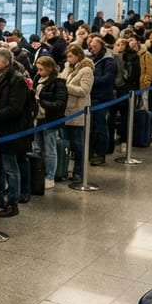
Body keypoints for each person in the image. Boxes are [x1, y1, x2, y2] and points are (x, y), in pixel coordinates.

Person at [0, 47, 30, 217]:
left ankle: (12, 202)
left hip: (10, 130)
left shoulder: (16, 80)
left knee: (10, 167)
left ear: (6, 62)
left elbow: (15, 108)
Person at [60, 44, 93, 182]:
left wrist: (66, 87)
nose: (68, 59)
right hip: (66, 112)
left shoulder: (86, 70)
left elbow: (84, 90)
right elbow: (61, 79)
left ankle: (78, 171)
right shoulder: (70, 68)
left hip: (78, 111)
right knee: (67, 143)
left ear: (78, 55)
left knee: (78, 144)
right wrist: (67, 68)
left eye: (70, 56)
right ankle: (64, 170)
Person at [34, 56, 68, 190]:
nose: (38, 72)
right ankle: (39, 172)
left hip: (51, 119)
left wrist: (41, 102)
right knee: (38, 148)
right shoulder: (38, 79)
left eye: (41, 69)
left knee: (50, 149)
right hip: (38, 118)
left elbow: (60, 103)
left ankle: (50, 176)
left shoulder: (58, 83)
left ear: (49, 68)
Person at [87, 36, 116, 165]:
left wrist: (90, 80)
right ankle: (91, 151)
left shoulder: (108, 61)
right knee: (91, 127)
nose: (90, 47)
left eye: (92, 44)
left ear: (100, 45)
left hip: (102, 98)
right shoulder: (92, 58)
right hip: (92, 98)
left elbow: (108, 79)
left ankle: (100, 153)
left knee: (100, 127)